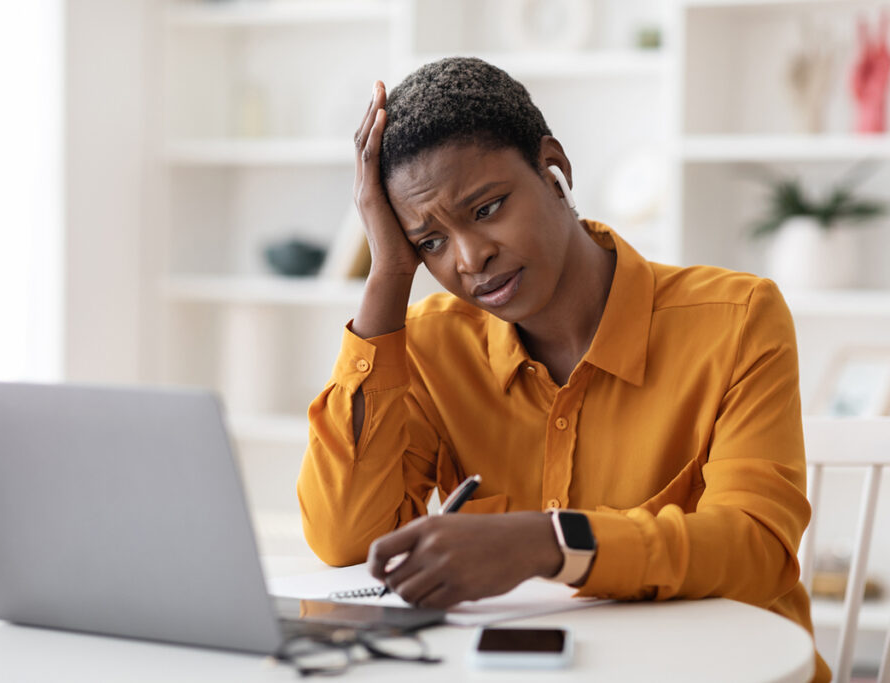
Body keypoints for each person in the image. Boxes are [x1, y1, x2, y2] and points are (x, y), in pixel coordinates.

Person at [297, 57, 830, 682]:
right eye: (430, 243)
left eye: (488, 208)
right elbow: (344, 538)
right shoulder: (431, 346)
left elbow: (754, 546)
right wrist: (388, 275)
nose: (472, 258)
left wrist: (550, 543)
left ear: (554, 169)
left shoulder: (736, 319)